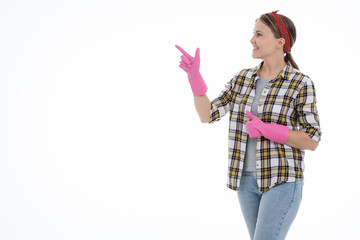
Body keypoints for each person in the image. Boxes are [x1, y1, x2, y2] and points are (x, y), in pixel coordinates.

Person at [175, 10, 321, 240]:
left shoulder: (300, 83)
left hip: (281, 179)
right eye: (253, 33)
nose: (252, 40)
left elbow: (312, 140)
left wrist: (267, 129)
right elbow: (208, 114)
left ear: (280, 42)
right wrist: (194, 77)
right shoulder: (242, 78)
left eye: (259, 34)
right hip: (245, 180)